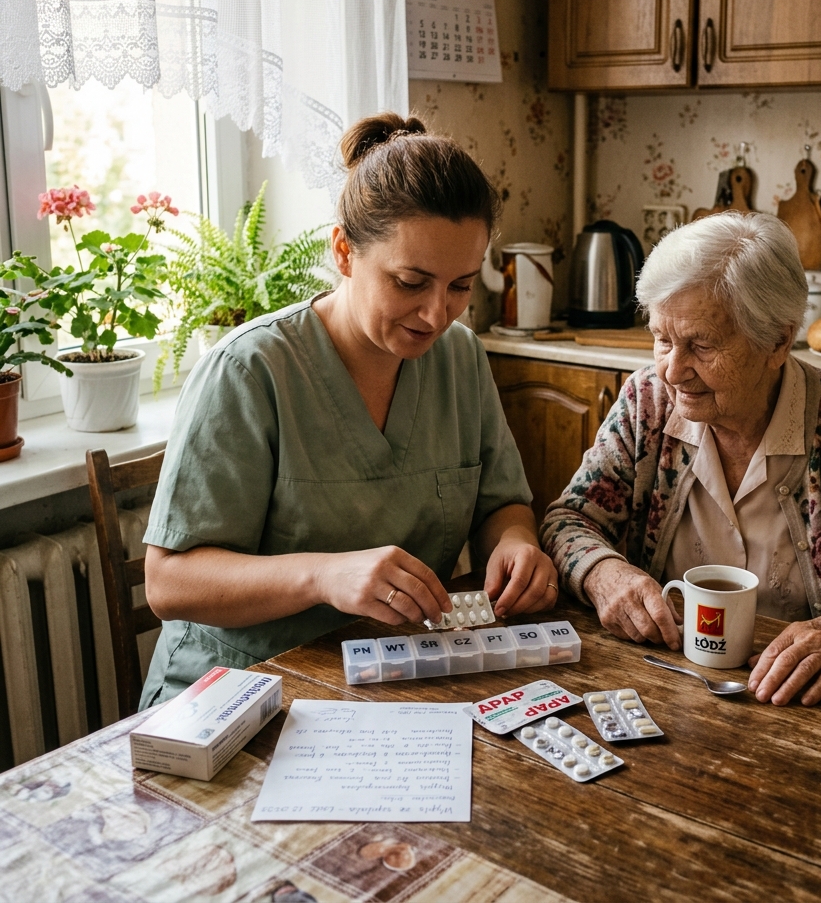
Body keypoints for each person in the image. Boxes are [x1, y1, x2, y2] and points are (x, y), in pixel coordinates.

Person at [141, 113, 557, 707]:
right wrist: (324, 575)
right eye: (411, 282)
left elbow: (502, 503)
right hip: (240, 695)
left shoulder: (459, 357)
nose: (438, 315)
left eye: (461, 286)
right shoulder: (250, 371)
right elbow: (170, 583)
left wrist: (516, 546)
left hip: (394, 677)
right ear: (343, 251)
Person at [540, 211, 821, 707]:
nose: (673, 370)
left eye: (700, 345)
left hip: (804, 702)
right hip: (665, 684)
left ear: (778, 342)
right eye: (662, 338)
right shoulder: (647, 402)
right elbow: (568, 521)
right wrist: (603, 572)